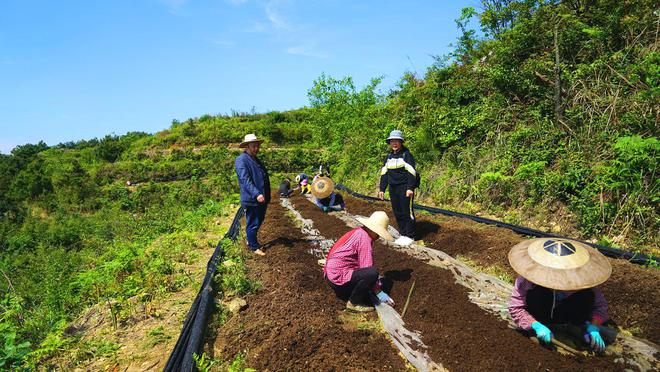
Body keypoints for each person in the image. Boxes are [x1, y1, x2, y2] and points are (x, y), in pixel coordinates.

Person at [508, 238, 614, 354]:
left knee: (586, 296)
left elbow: (600, 307)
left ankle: (576, 327)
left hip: (569, 317)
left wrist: (594, 326)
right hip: (540, 315)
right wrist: (535, 325)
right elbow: (516, 308)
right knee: (539, 294)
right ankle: (542, 325)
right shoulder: (528, 281)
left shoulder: (583, 282)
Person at [324, 211, 396, 312]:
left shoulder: (358, 231)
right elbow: (367, 268)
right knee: (372, 273)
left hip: (329, 274)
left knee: (367, 276)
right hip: (337, 278)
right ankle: (353, 303)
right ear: (374, 230)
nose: (378, 237)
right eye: (379, 234)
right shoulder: (365, 239)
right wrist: (379, 292)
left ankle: (348, 293)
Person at [378, 129, 417, 246]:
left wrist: (410, 187)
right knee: (397, 212)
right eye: (392, 141)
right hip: (393, 188)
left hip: (405, 188)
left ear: (401, 142)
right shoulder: (388, 157)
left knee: (407, 212)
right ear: (390, 143)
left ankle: (410, 236)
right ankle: (403, 234)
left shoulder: (407, 155)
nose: (394, 143)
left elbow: (412, 172)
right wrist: (382, 189)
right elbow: (384, 174)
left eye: (397, 141)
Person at [235, 134, 271, 256]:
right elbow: (245, 179)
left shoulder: (255, 159)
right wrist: (256, 194)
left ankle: (251, 241)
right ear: (247, 146)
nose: (256, 148)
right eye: (254, 146)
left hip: (261, 198)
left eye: (257, 146)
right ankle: (253, 247)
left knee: (259, 220)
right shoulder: (241, 160)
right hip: (252, 198)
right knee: (253, 222)